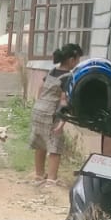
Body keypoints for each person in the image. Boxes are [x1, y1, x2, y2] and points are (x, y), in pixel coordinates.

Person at [30, 42, 82, 185]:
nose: (78, 63)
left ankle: (39, 175)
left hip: (38, 109)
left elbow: (40, 89)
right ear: (71, 60)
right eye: (78, 60)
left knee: (40, 143)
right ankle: (52, 179)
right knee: (55, 145)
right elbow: (64, 101)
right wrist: (62, 123)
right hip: (51, 113)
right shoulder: (68, 77)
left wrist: (40, 104)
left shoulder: (52, 71)